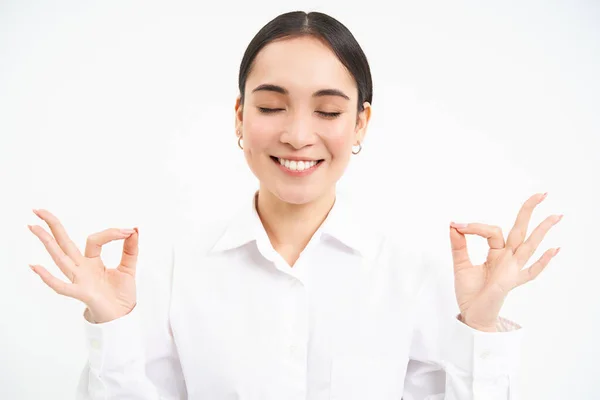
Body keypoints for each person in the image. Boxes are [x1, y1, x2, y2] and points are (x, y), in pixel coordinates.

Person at [28, 10, 562, 400]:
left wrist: (481, 327)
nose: (298, 134)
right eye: (271, 106)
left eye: (328, 112)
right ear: (240, 117)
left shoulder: (409, 269)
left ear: (360, 124)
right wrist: (113, 327)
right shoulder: (175, 266)